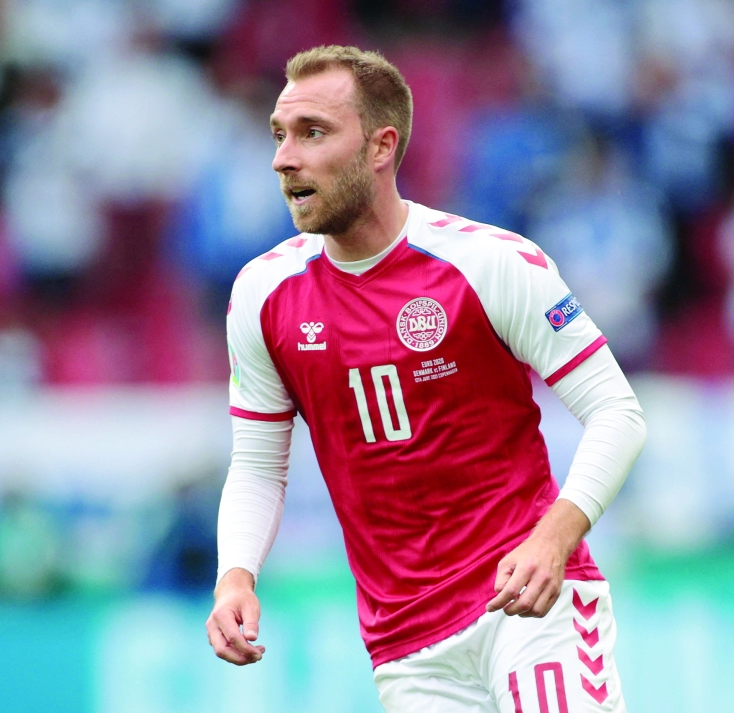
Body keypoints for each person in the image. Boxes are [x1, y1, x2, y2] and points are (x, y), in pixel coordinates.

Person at [206, 45, 646, 712]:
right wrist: (235, 576)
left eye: (312, 132)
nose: (283, 158)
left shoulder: (488, 263)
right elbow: (260, 464)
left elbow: (618, 411)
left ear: (380, 147)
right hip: (407, 649)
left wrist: (554, 537)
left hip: (530, 608)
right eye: (279, 135)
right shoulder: (264, 295)